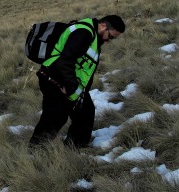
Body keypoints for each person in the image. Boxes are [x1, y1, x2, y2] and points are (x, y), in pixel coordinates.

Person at [29, 15, 125, 148]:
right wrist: (71, 87)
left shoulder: (92, 35)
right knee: (54, 118)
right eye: (111, 36)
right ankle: (35, 152)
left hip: (68, 83)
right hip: (55, 80)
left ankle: (74, 148)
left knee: (85, 112)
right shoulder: (84, 33)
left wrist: (79, 89)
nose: (110, 40)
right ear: (103, 26)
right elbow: (65, 61)